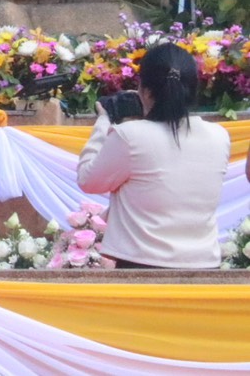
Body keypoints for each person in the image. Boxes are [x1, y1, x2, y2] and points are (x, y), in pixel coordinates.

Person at [77, 42, 230, 269]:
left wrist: (103, 122)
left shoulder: (129, 136)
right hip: (204, 265)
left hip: (141, 266)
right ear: (193, 88)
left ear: (146, 91)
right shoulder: (219, 135)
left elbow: (88, 180)